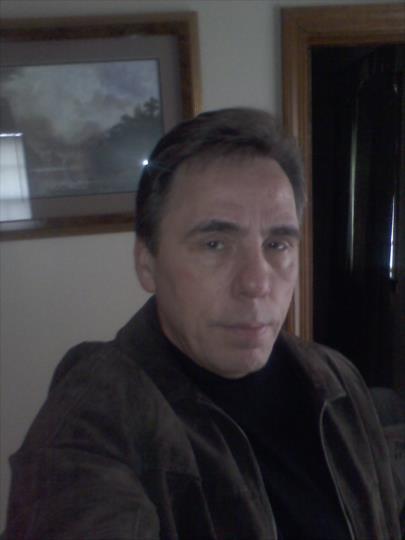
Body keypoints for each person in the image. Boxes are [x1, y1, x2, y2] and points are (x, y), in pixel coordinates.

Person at [4, 108, 404, 539]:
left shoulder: (336, 379)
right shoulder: (93, 420)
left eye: (277, 244)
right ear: (147, 262)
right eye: (215, 243)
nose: (256, 282)